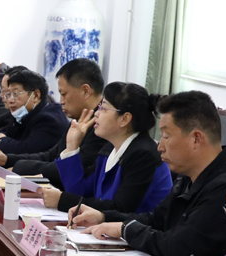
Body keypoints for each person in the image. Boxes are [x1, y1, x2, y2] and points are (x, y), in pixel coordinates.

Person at [72, 90, 226, 256]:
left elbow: (180, 248)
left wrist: (125, 229)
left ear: (196, 139)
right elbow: (157, 220)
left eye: (166, 136)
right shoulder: (188, 175)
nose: (160, 146)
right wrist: (103, 217)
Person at [40, 79, 169, 214]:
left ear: (124, 119)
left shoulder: (143, 155)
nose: (96, 113)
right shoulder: (109, 150)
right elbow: (80, 191)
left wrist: (62, 200)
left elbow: (119, 209)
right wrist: (72, 147)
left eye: (104, 108)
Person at [0, 58, 111, 184]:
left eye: (64, 94)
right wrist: (7, 159)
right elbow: (51, 155)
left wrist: (19, 168)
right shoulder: (79, 119)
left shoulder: (102, 127)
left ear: (85, 91)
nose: (61, 101)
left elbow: (69, 169)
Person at [0, 67, 69, 158]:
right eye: (8, 94)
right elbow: (7, 133)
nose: (10, 100)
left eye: (15, 94)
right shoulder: (26, 113)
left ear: (36, 95)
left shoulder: (49, 120)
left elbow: (26, 149)